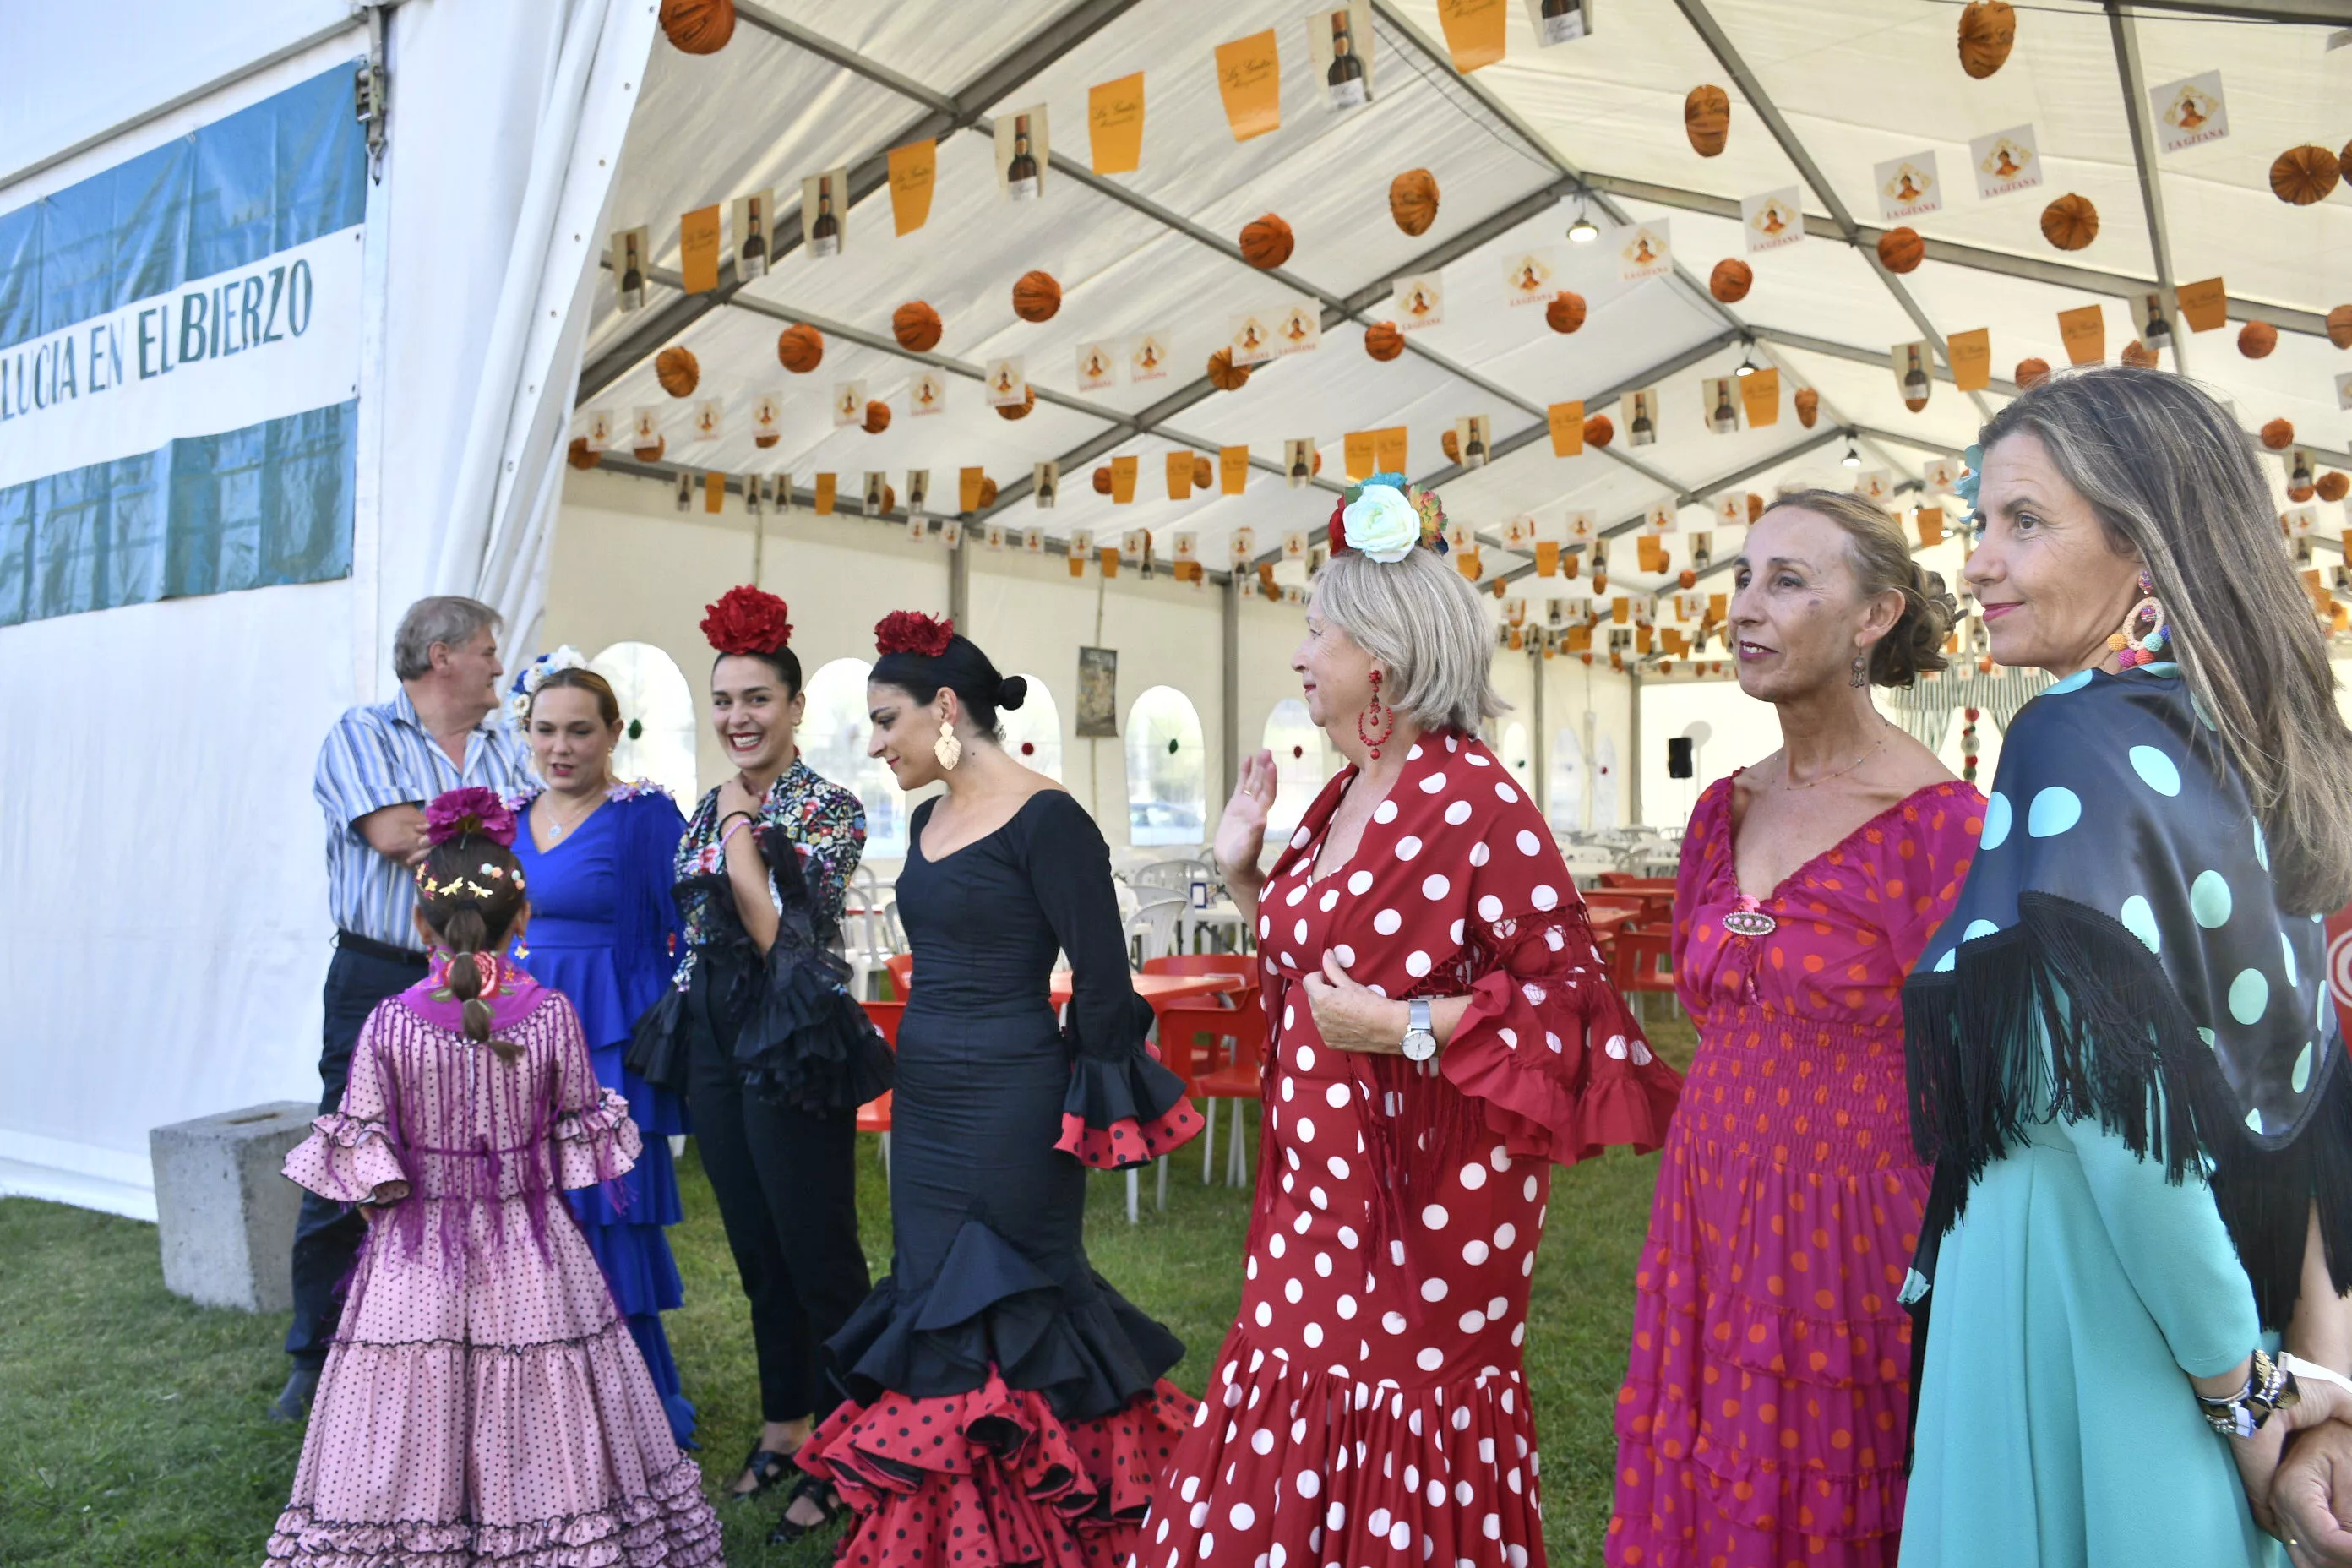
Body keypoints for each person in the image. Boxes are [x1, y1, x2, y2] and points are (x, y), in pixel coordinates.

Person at [1141, 474, 1681, 1568]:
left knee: (1400, 1427)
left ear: (1378, 658)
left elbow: (1575, 1016)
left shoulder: (1476, 801)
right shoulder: (1345, 794)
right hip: (1314, 1199)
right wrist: (1246, 878)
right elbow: (1319, 972)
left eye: (1318, 630)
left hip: (1430, 1212)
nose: (1299, 655)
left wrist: (1409, 1029)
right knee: (1291, 1414)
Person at [1899, 366, 2352, 1566]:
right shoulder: (2261, 751)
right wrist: (2313, 1396)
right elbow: (2313, 1104)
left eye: (2025, 523)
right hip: (2217, 1323)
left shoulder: (2070, 741)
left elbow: (2120, 1139)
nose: (1978, 563)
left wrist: (2257, 1420)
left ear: (2146, 549)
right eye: (1977, 524)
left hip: (2080, 1304)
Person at [1606, 491, 1982, 1567]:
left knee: (1836, 1492)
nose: (1744, 607)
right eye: (1742, 575)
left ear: (1874, 617)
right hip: (1708, 1204)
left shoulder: (1941, 824)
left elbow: (1980, 1074)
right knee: (1711, 1467)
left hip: (1852, 1226)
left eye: (1788, 581)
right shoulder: (1721, 807)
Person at [794, 612, 1201, 1567]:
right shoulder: (927, 816)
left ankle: (1059, 1528)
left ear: (945, 709)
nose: (876, 742)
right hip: (928, 1093)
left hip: (1018, 1094)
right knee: (932, 1294)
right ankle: (947, 1537)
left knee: (1022, 1294)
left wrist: (1085, 1094)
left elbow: (1105, 977)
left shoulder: (1051, 816)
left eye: (886, 719)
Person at [265, 788, 721, 1567]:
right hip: (530, 1252)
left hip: (416, 1261)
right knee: (543, 1396)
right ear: (523, 922)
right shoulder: (549, 1015)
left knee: (413, 1397)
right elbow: (581, 1137)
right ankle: (549, 1531)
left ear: (421, 925)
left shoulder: (389, 1023)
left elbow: (366, 1156)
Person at [629, 585, 892, 1539]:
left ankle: (857, 1438)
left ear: (794, 709)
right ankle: (787, 1418)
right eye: (726, 700)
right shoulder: (704, 807)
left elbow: (782, 933)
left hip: (794, 1038)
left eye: (758, 700)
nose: (739, 717)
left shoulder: (829, 809)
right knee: (757, 1251)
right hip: (711, 1035)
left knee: (820, 1251)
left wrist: (743, 834)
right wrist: (726, 821)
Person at [280, 596, 535, 1421]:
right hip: (380, 970)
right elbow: (393, 834)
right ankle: (313, 1353)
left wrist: (476, 833)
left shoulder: (508, 744)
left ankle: (454, 1339)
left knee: (474, 1152)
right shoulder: (362, 732)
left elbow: (542, 837)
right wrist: (495, 832)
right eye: (489, 650)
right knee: (353, 1151)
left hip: (486, 978)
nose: (501, 665)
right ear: (441, 655)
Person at [508, 651, 696, 1444]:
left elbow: (689, 931)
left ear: (613, 733)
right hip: (517, 1039)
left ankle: (630, 1409)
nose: (562, 746)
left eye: (580, 730)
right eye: (545, 730)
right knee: (531, 1218)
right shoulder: (506, 817)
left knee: (609, 1214)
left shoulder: (645, 815)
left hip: (609, 1035)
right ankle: (539, 1406)